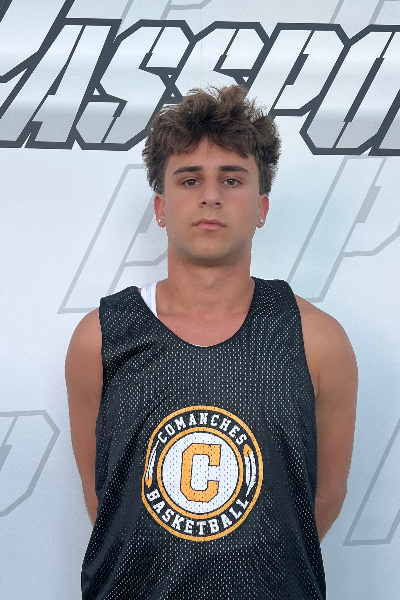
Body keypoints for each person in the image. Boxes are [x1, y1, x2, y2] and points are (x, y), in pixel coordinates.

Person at [65, 85, 358, 600]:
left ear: (262, 207)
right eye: (189, 179)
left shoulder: (317, 340)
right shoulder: (101, 337)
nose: (210, 196)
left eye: (232, 178)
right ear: (161, 206)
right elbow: (104, 499)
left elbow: (322, 501)